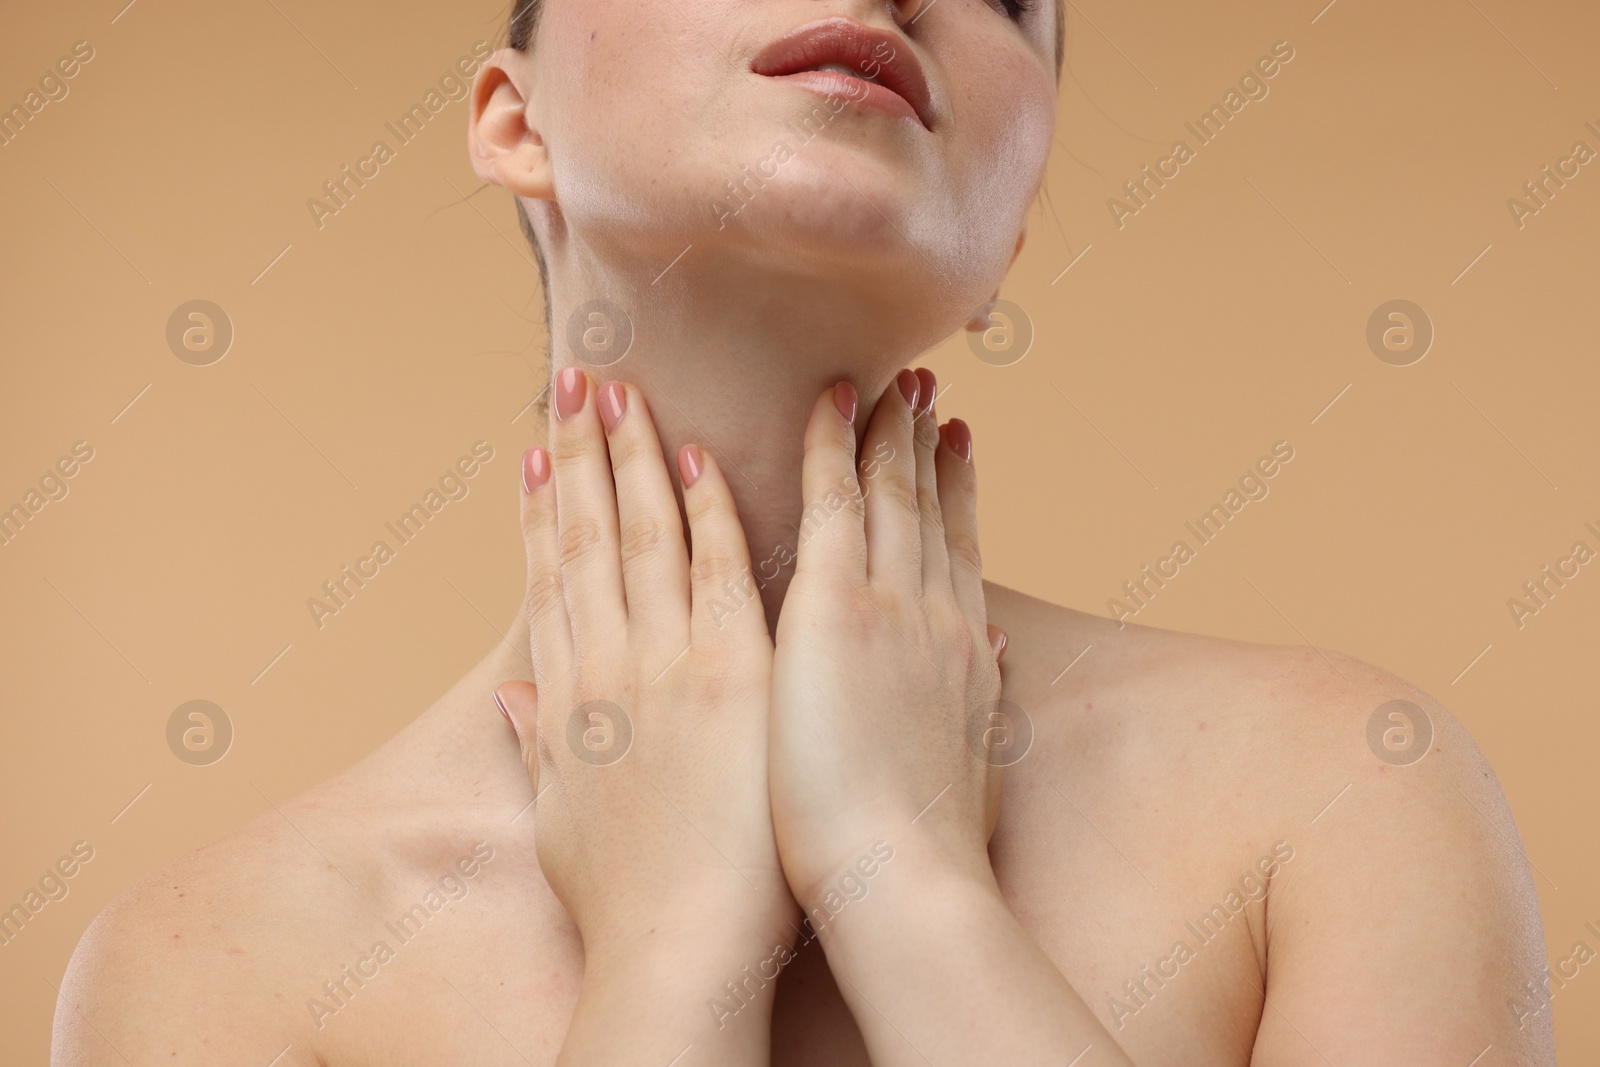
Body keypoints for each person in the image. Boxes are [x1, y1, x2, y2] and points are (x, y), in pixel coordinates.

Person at [53, 1, 1552, 1064]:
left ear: (1010, 234)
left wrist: (900, 872)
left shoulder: (1342, 798)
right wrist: (672, 947)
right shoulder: (213, 972)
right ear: (514, 120)